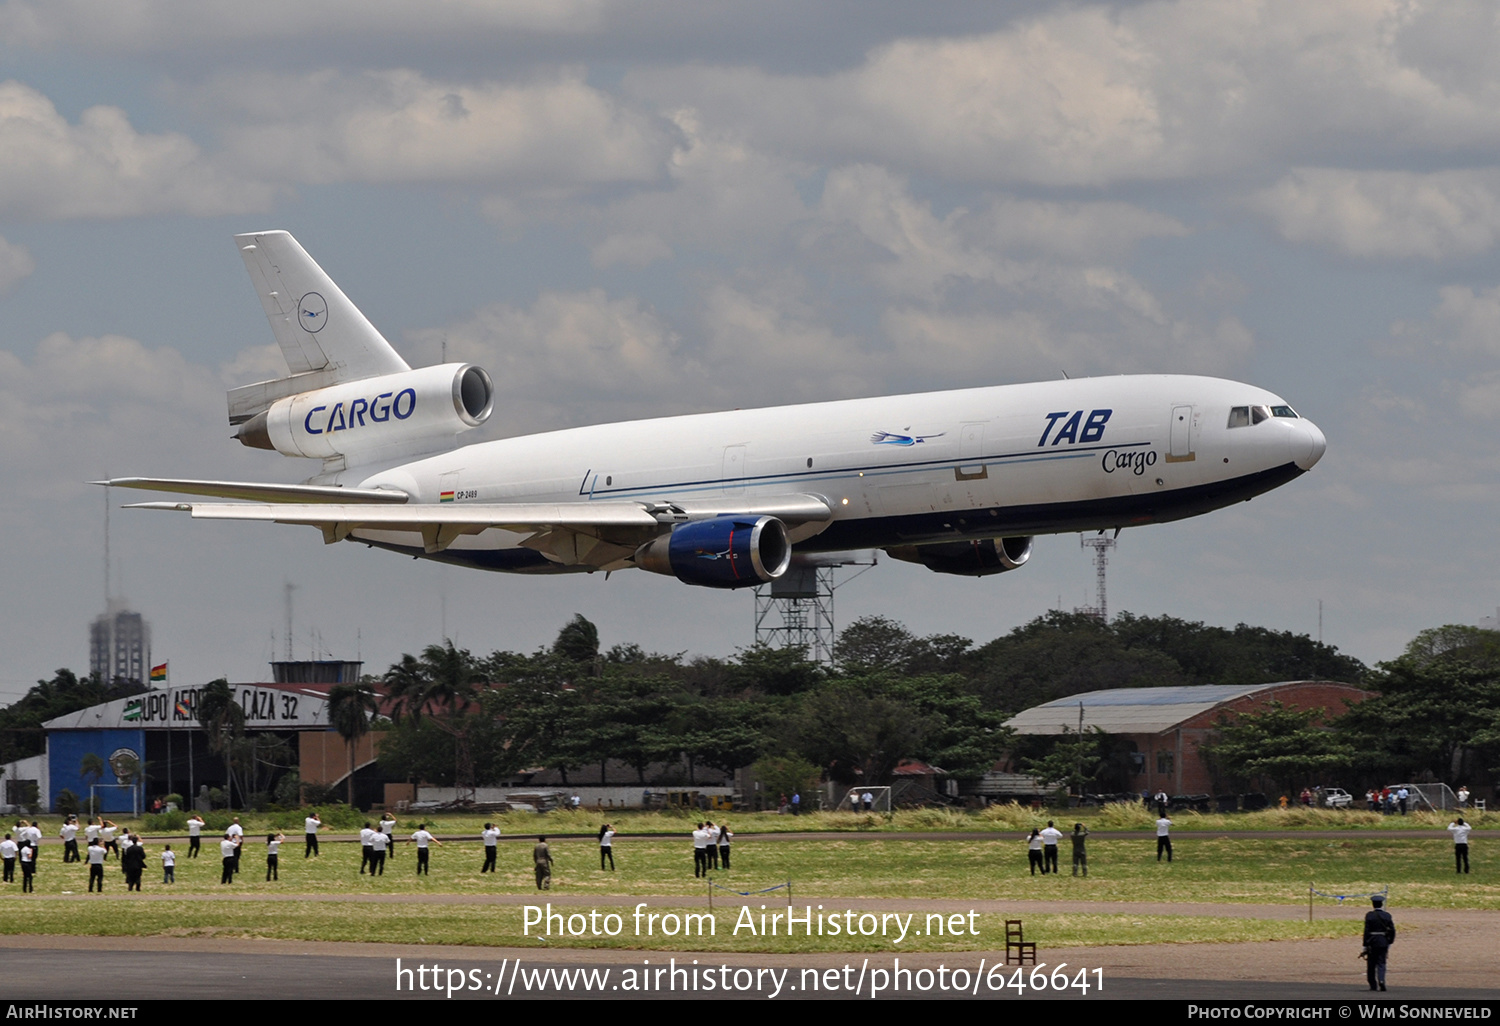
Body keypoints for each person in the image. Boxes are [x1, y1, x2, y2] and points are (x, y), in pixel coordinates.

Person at [1363, 896, 1395, 991]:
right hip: (1383, 941)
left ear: (1373, 904)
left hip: (1372, 942)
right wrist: (1390, 941)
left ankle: (1373, 984)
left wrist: (1364, 945)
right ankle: (1381, 980)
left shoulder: (1369, 915)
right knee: (1381, 963)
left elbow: (1366, 931)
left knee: (1371, 964)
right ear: (1381, 904)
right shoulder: (1387, 915)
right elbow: (1392, 930)